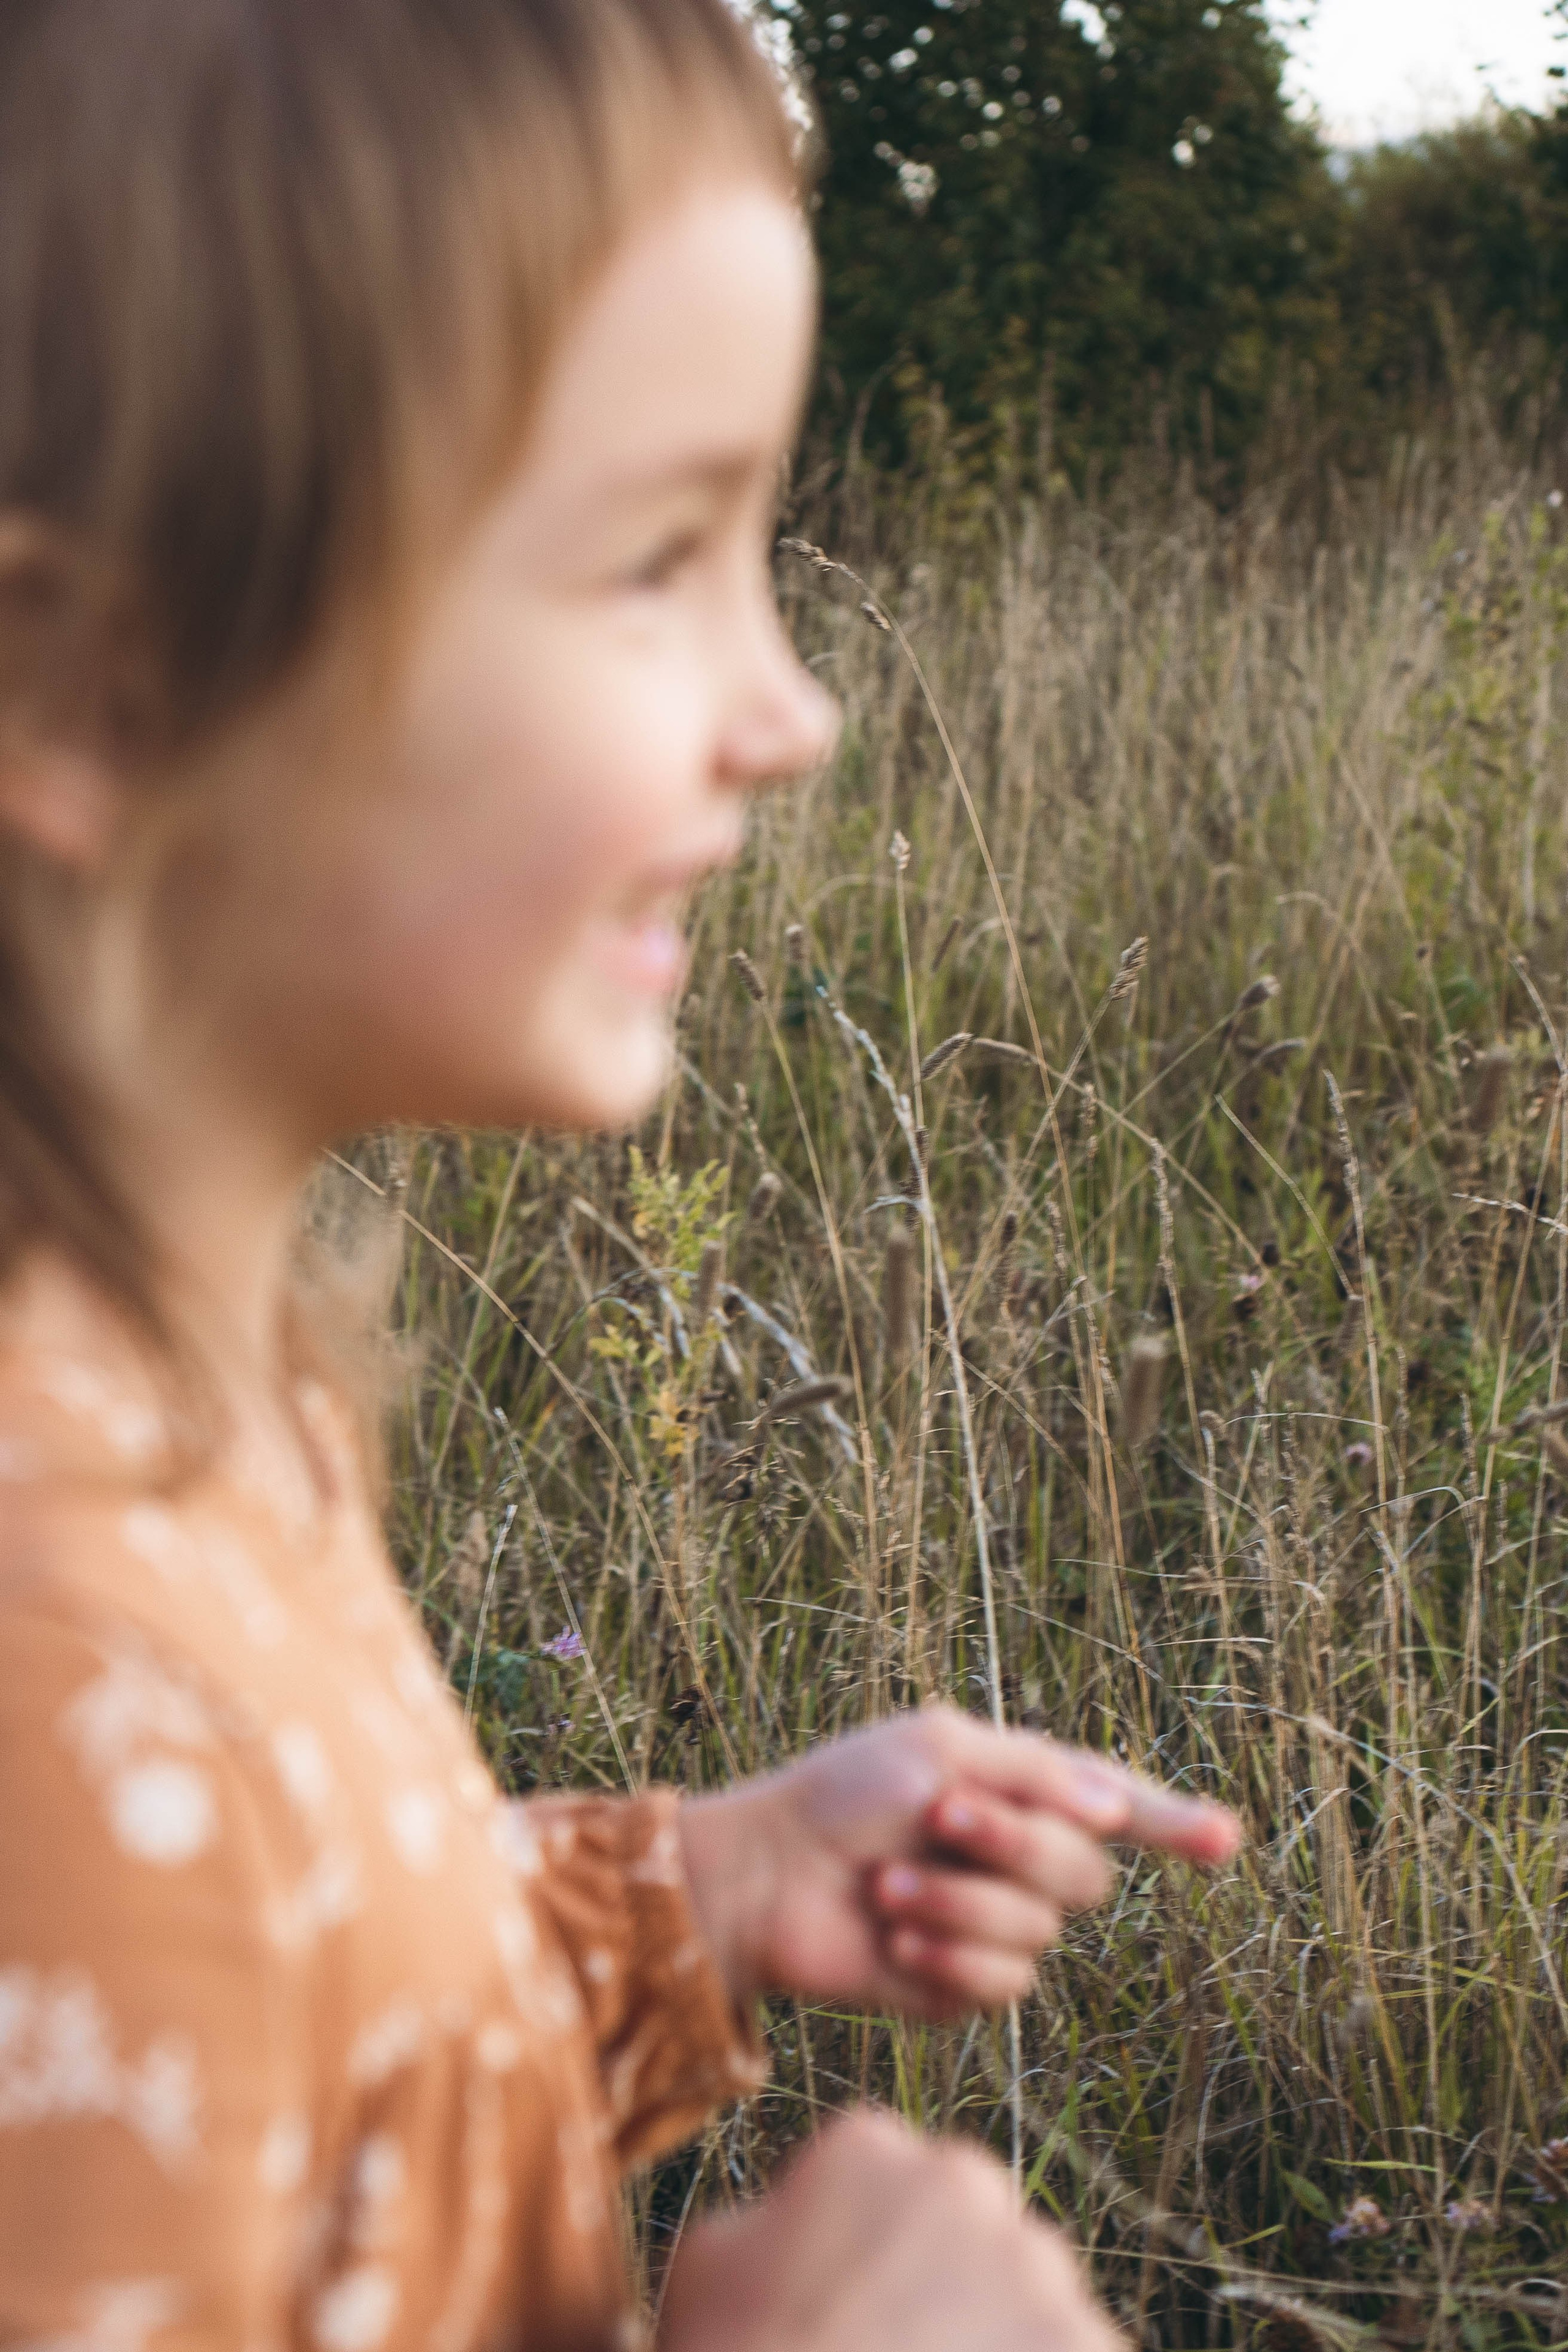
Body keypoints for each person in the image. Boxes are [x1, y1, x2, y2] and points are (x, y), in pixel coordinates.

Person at [0, 4, 1242, 2349]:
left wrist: (690, 1894)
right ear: (91, 690)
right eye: (657, 558)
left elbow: (287, 2072)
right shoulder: (51, 1674)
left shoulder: (174, 1394)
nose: (794, 709)